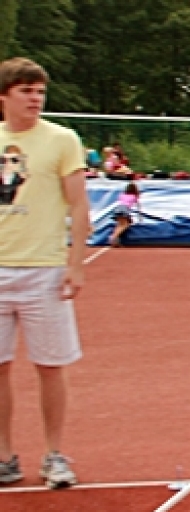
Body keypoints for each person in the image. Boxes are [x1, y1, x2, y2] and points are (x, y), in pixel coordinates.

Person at [0, 57, 92, 489]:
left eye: (39, 91)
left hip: (44, 269)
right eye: (26, 91)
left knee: (51, 366)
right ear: (5, 96)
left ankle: (54, 454)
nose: (35, 98)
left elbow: (78, 204)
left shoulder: (61, 140)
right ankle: (5, 456)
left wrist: (75, 263)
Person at [108, 182, 141, 246]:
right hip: (124, 209)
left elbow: (121, 202)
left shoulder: (122, 195)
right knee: (125, 225)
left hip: (118, 208)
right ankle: (113, 237)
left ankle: (114, 238)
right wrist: (139, 216)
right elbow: (138, 206)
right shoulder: (134, 196)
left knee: (119, 224)